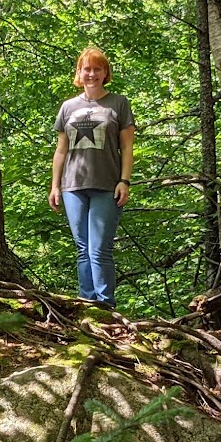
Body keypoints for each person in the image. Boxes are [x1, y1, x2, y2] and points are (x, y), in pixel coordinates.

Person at [49, 45, 136, 307]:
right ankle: (87, 307)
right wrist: (55, 186)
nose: (91, 74)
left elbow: (127, 147)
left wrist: (124, 181)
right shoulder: (68, 107)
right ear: (79, 72)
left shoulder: (118, 103)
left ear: (105, 73)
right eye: (87, 69)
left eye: (97, 69)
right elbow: (61, 150)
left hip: (107, 185)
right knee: (83, 250)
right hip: (72, 186)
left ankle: (106, 307)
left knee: (100, 250)